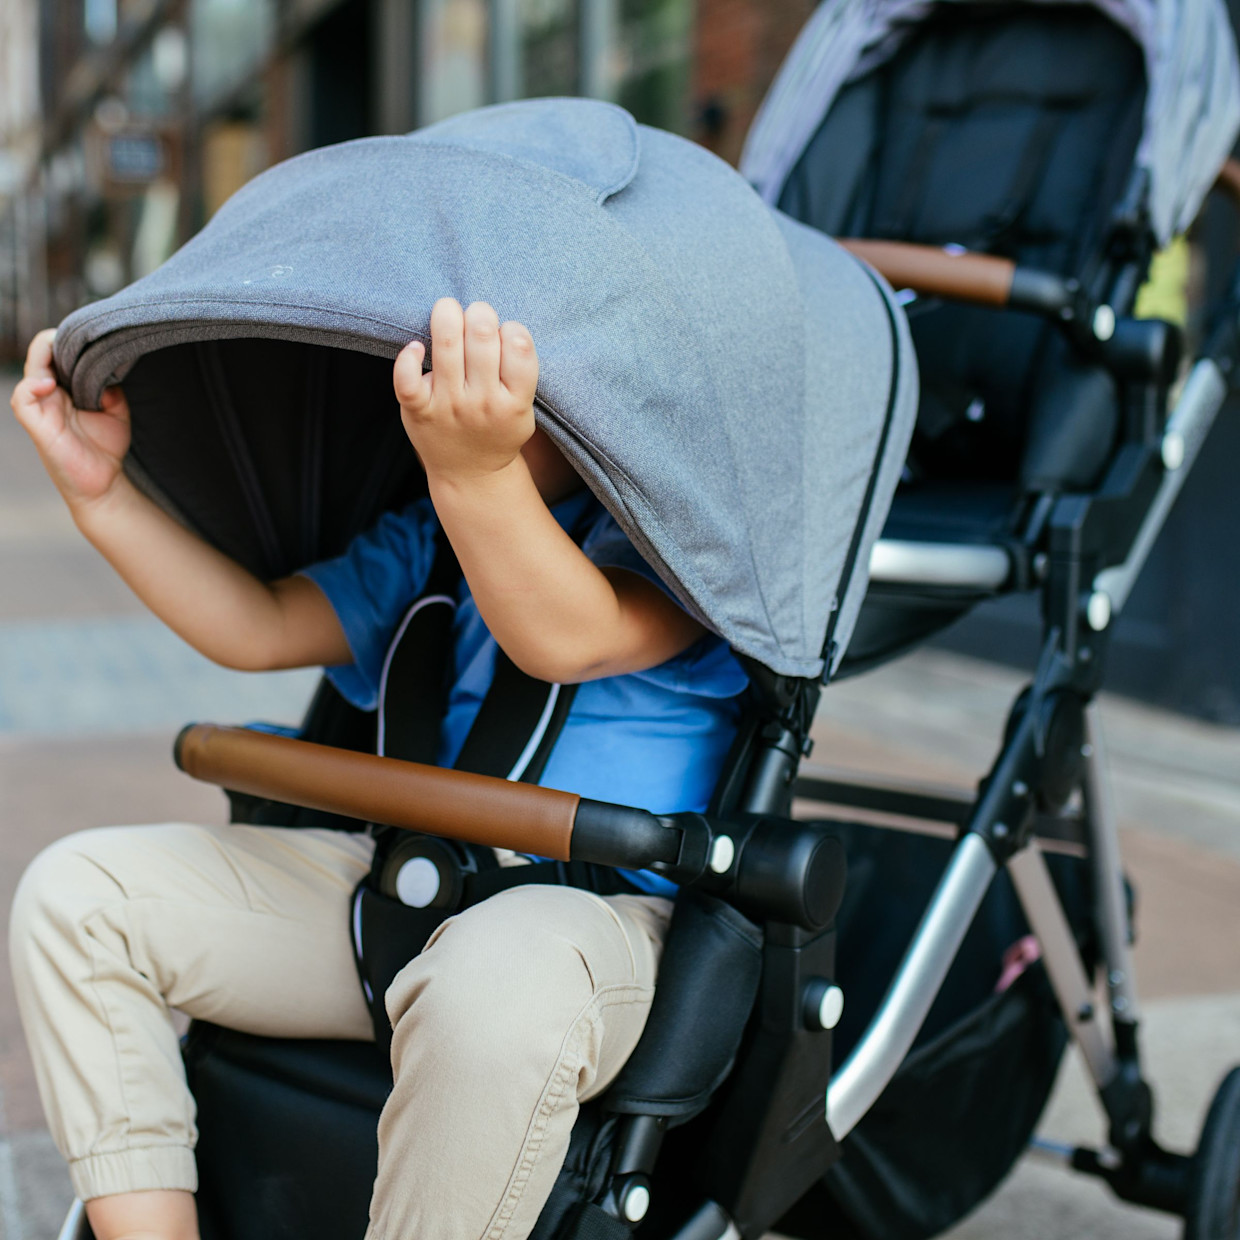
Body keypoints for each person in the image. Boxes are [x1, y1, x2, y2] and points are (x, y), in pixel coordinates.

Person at [8, 299, 747, 1240]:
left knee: (498, 979)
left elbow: (568, 635)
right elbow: (258, 625)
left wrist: (477, 470)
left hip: (598, 922)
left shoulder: (684, 550)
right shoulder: (424, 538)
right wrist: (102, 498)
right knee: (79, 899)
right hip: (408, 886)